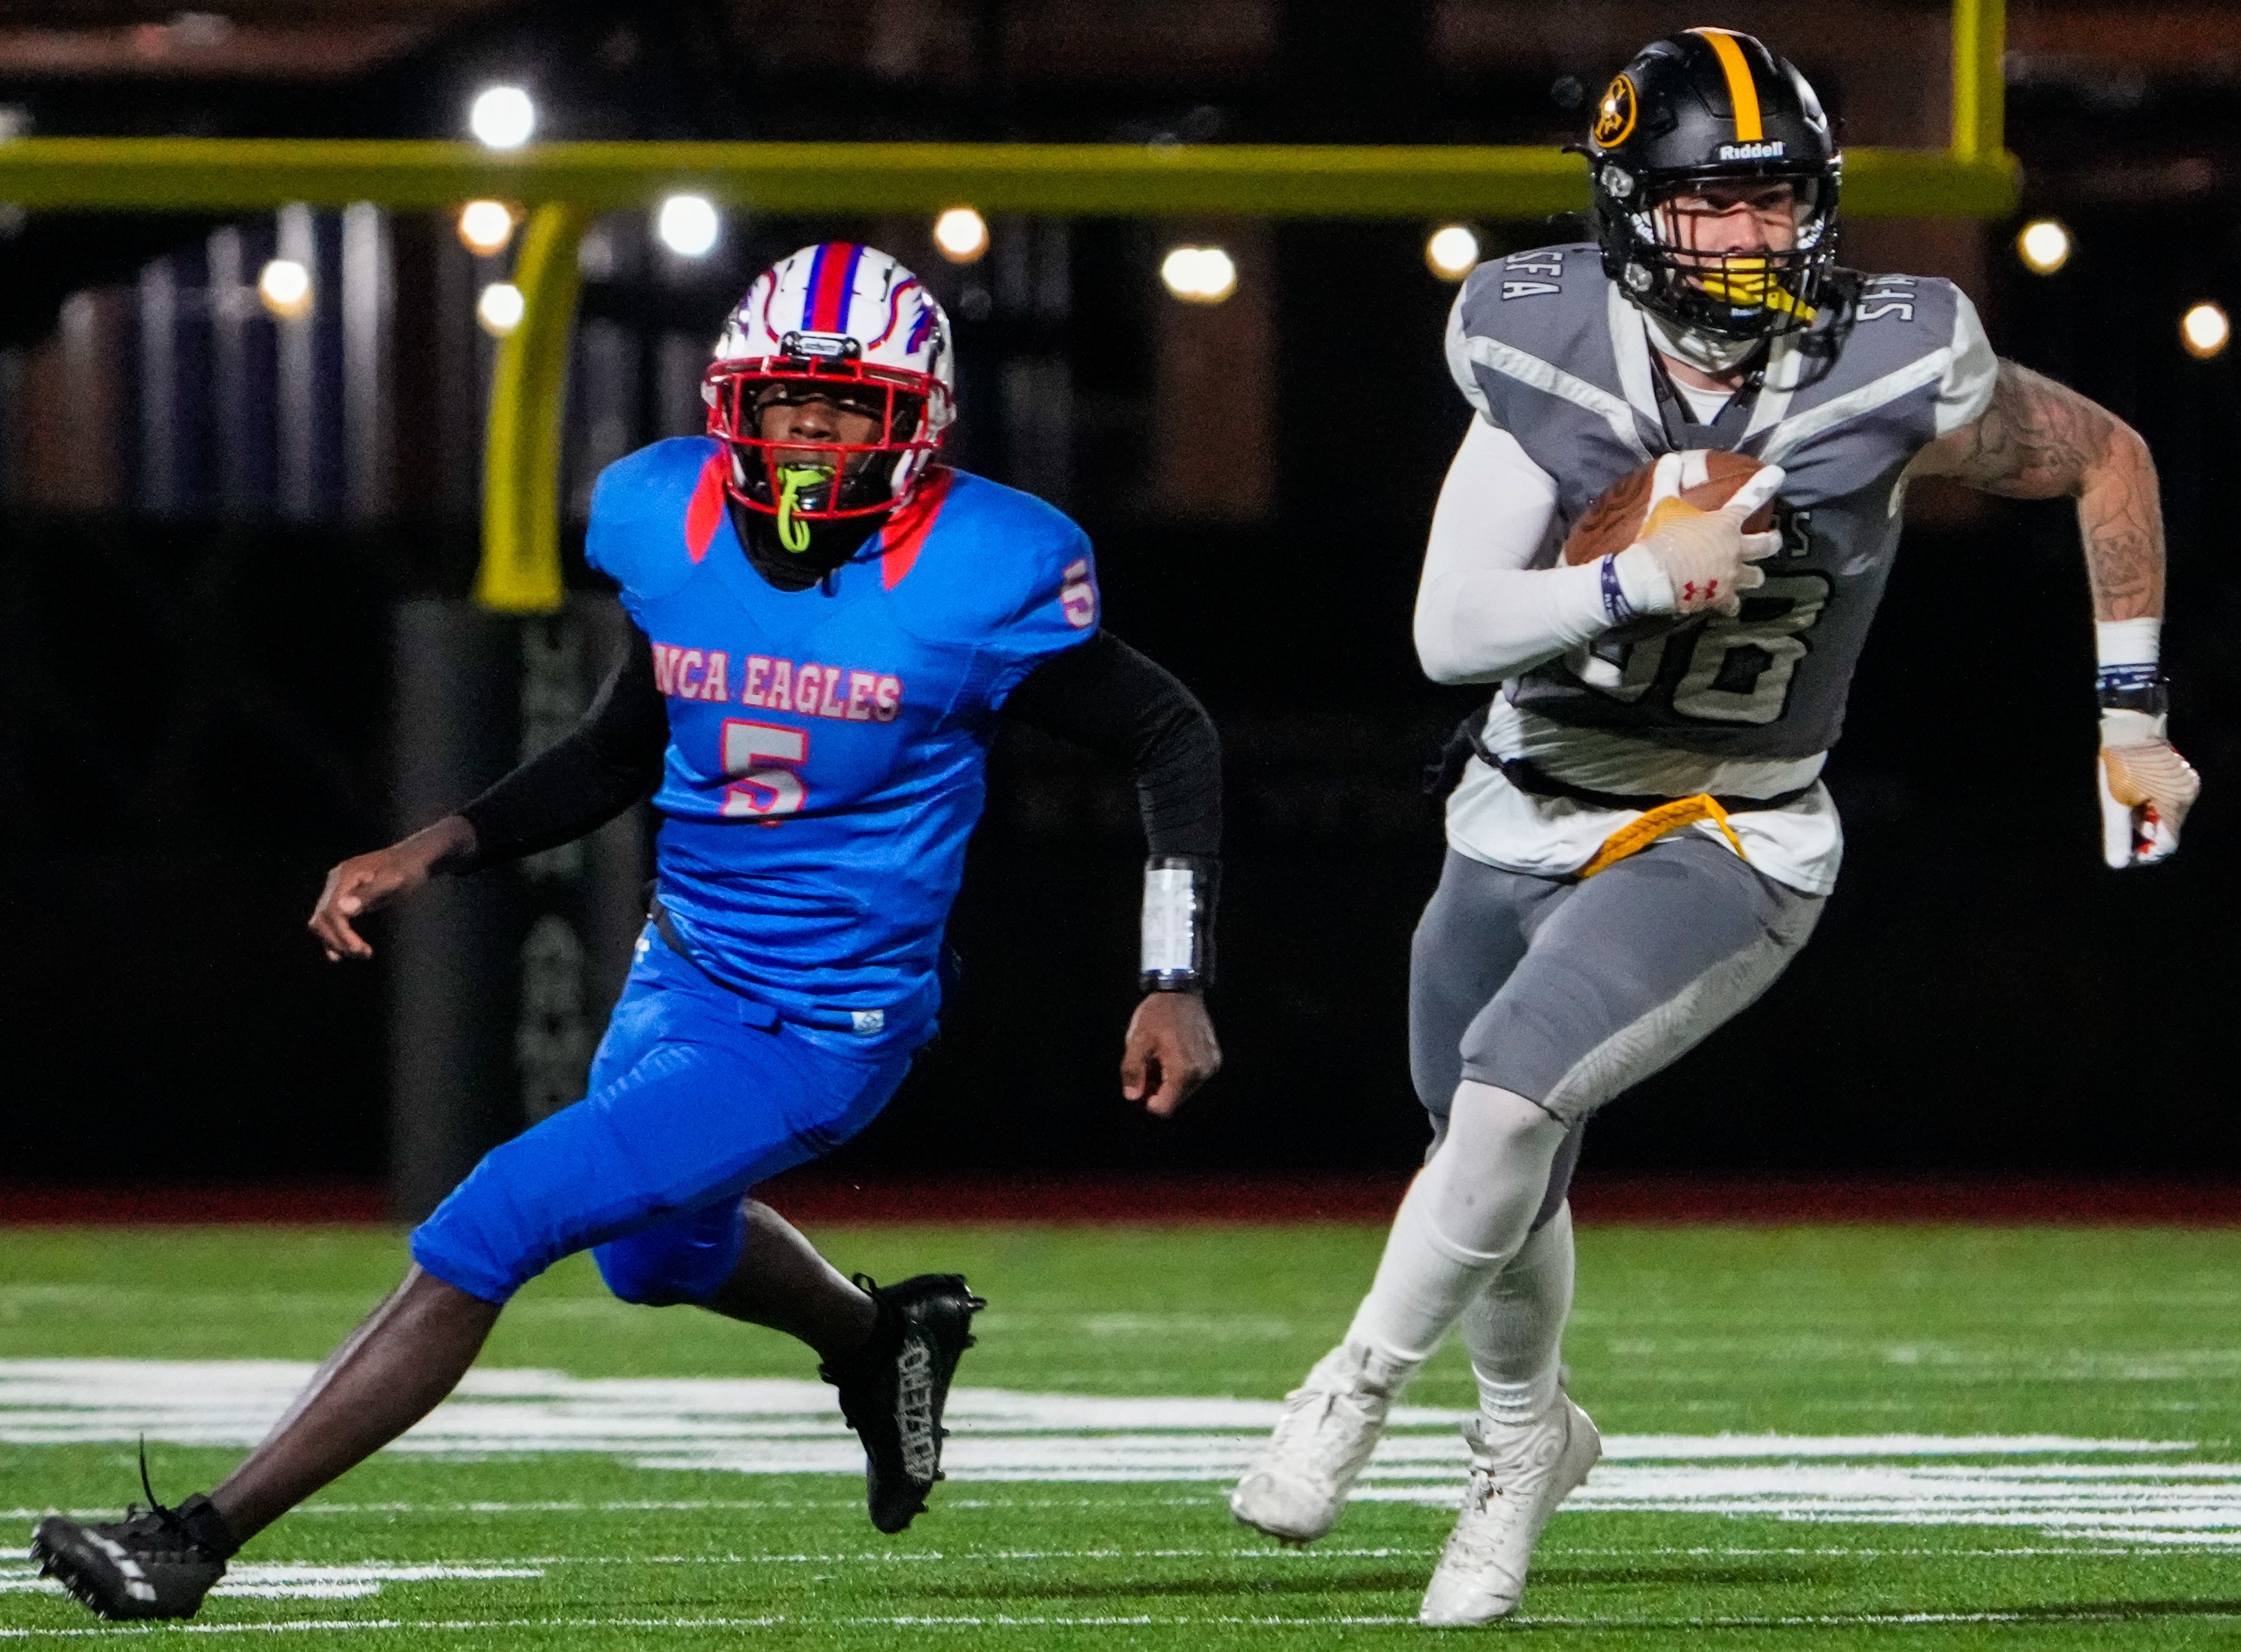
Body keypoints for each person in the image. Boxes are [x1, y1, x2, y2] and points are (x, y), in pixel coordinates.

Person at [33, 241, 1224, 1622]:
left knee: (496, 1214)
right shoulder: (667, 518)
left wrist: (1172, 972)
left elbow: (1169, 733)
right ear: (733, 404)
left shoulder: (985, 567)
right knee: (654, 1256)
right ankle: (877, 1335)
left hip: (824, 1022)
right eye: (785, 404)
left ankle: (197, 1537)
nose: (810, 437)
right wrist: (437, 843)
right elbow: (620, 745)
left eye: (847, 410)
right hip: (684, 967)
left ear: (918, 425)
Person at [1229, 27, 2199, 1627]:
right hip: (1518, 804)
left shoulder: (1896, 354)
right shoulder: (1543, 337)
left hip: (1727, 825)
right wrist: (1631, 578)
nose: (1750, 235)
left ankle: (1353, 1387)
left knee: (1508, 1090)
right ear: (1630, 207)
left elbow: (2107, 456)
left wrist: (2130, 718)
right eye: (1710, 203)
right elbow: (1448, 630)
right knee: (1492, 1159)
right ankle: (1528, 1437)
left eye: (1777, 200)